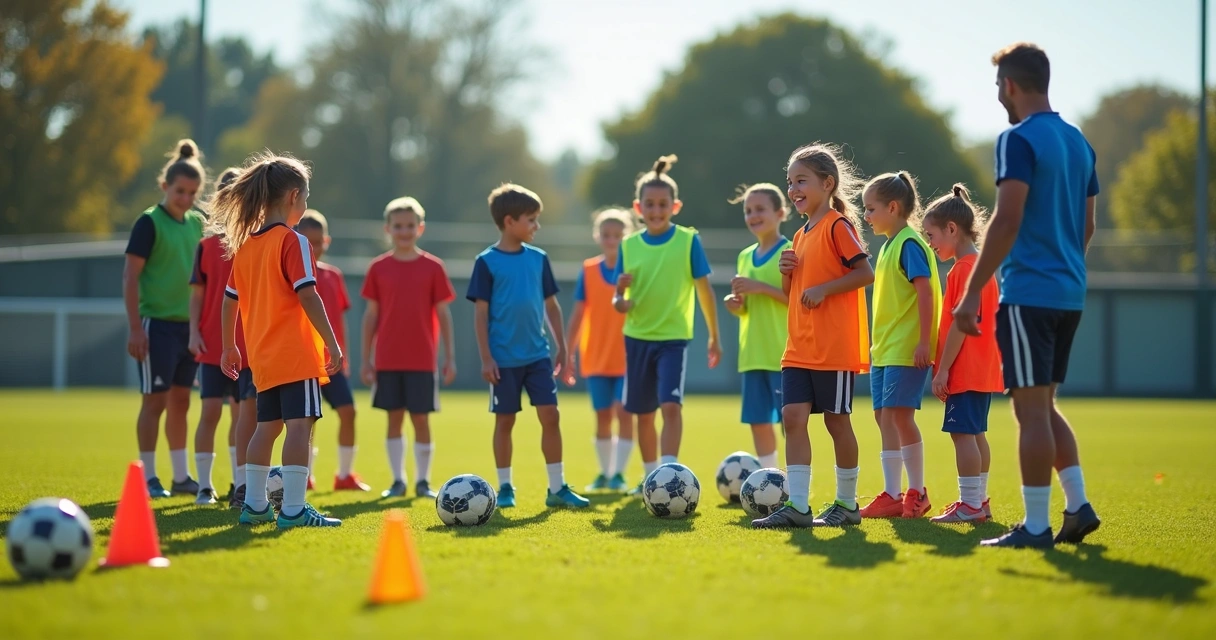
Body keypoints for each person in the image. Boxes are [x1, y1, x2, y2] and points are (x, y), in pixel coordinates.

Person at [955, 43, 1101, 548]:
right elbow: (1087, 225)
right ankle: (1078, 506)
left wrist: (974, 292)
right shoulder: (1079, 142)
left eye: (999, 86)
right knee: (1044, 403)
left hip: (1029, 294)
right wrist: (1065, 267)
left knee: (1029, 411)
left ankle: (1036, 527)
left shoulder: (1017, 138)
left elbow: (1007, 217)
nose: (999, 94)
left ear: (1010, 85)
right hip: (1069, 292)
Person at [215, 152, 343, 529]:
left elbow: (228, 302)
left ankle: (254, 506)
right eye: (305, 198)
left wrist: (229, 346)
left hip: (262, 357)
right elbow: (308, 295)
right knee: (300, 426)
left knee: (264, 427)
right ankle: (293, 510)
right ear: (292, 197)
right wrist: (332, 344)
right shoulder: (294, 241)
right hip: (296, 354)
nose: (305, 205)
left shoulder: (245, 245)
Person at [752, 143, 873, 529]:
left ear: (827, 183)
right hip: (798, 347)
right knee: (792, 418)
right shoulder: (800, 235)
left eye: (801, 180)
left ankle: (847, 504)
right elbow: (792, 297)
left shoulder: (838, 225)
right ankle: (799, 507)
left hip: (832, 348)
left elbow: (864, 273)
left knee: (837, 422)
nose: (793, 189)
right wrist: (788, 271)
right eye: (790, 182)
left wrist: (824, 289)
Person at [467, 183, 589, 510]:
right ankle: (505, 487)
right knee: (505, 421)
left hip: (538, 356)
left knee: (551, 415)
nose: (537, 226)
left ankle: (557, 488)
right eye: (531, 219)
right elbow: (480, 315)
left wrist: (563, 347)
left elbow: (552, 307)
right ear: (509, 222)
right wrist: (486, 358)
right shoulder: (486, 262)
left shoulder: (539, 259)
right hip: (503, 360)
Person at [612, 155, 722, 494]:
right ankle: (649, 477)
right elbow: (618, 300)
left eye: (663, 204)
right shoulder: (628, 246)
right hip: (637, 338)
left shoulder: (689, 241)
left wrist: (714, 337)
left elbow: (705, 292)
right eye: (649, 204)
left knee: (671, 405)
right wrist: (620, 298)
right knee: (643, 414)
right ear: (637, 207)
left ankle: (668, 472)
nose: (656, 210)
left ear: (675, 206)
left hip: (674, 339)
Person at [123, 139, 206, 498]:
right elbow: (130, 277)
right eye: (179, 191)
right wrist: (135, 328)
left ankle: (181, 476)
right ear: (165, 187)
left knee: (181, 402)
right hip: (155, 326)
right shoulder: (148, 222)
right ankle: (148, 476)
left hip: (189, 329)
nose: (185, 198)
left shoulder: (197, 225)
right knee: (153, 402)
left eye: (192, 192)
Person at [361, 197, 456, 498]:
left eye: (410, 226)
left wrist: (449, 357)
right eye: (398, 226)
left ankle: (423, 482)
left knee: (421, 419)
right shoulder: (378, 268)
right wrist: (366, 359)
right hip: (388, 359)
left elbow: (444, 314)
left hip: (422, 360)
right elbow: (371, 315)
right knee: (394, 419)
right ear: (387, 228)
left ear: (421, 228)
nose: (404, 231)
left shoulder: (433, 267)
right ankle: (397, 480)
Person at [860, 171, 942, 519]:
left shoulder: (909, 243)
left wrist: (924, 341)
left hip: (906, 349)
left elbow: (925, 292)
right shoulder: (890, 244)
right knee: (883, 416)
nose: (866, 216)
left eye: (871, 208)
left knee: (898, 416)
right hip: (886, 349)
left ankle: (916, 492)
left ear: (893, 207)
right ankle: (892, 494)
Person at [923, 185, 1002, 523]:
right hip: (983, 369)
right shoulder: (981, 267)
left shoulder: (963, 270)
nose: (930, 243)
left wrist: (942, 371)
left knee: (962, 434)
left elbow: (958, 325)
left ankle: (970, 504)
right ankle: (978, 502)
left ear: (952, 229)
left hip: (966, 369)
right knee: (976, 433)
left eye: (932, 235)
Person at [188, 167, 256, 505]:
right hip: (213, 347)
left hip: (249, 348)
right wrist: (193, 333)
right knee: (210, 413)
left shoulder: (254, 243)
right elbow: (198, 295)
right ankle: (204, 486)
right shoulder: (205, 246)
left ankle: (240, 485)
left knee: (243, 416)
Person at [564, 208, 635, 492]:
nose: (612, 240)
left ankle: (619, 473)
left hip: (628, 356)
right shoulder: (589, 269)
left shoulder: (633, 269)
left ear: (627, 236)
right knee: (602, 415)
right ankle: (604, 473)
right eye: (606, 235)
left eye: (618, 235)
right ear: (598, 237)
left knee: (623, 412)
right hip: (595, 356)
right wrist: (568, 352)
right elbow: (579, 314)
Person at [297, 210, 367, 492]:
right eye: (306, 242)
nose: (313, 248)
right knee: (307, 418)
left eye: (318, 242)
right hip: (304, 361)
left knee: (348, 411)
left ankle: (345, 475)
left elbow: (340, 321)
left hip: (333, 362)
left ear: (327, 241)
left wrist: (343, 355)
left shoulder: (333, 276)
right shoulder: (291, 277)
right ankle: (305, 476)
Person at [723, 183, 790, 469]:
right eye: (748, 211)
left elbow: (796, 300)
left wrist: (759, 287)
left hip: (783, 354)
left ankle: (795, 482)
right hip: (752, 355)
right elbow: (746, 308)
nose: (753, 215)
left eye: (760, 209)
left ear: (781, 213)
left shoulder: (789, 251)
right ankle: (770, 479)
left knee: (791, 424)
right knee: (759, 422)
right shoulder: (744, 255)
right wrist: (735, 306)